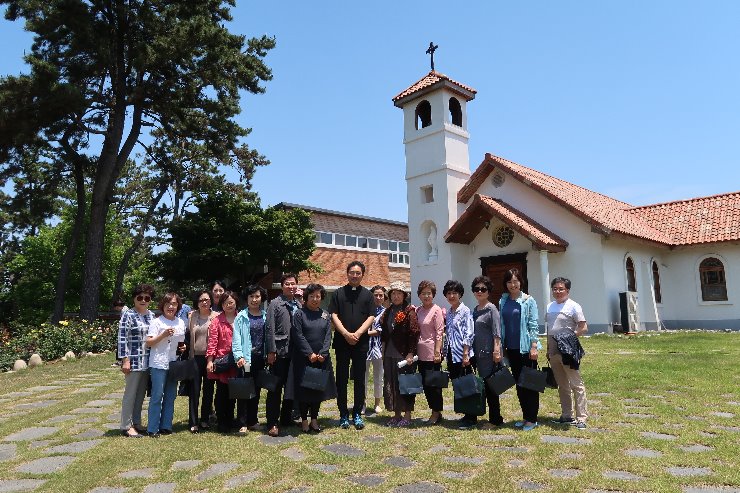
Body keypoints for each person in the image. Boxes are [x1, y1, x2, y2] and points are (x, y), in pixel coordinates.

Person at [328, 261, 375, 430]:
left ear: (362, 275)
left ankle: (356, 413)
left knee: (360, 379)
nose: (355, 275)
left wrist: (358, 334)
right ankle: (343, 413)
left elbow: (371, 316)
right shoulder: (338, 293)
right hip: (342, 342)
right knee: (341, 378)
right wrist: (346, 334)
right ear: (347, 274)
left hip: (360, 343)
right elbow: (333, 314)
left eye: (358, 273)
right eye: (352, 272)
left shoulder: (368, 295)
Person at [290, 283, 337, 433]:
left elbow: (328, 336)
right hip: (304, 358)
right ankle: (304, 420)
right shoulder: (299, 314)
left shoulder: (325, 315)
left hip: (321, 359)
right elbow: (298, 335)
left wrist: (323, 353)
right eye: (312, 296)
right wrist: (309, 353)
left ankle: (314, 420)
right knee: (304, 392)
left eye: (318, 296)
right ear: (306, 297)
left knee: (317, 390)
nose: (315, 299)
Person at [499, 268, 541, 431]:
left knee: (529, 383)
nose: (512, 284)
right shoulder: (503, 301)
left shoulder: (528, 300)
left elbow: (533, 325)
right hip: (511, 349)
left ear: (520, 282)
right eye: (509, 281)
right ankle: (526, 417)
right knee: (519, 384)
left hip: (526, 349)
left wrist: (534, 346)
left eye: (515, 281)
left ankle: (532, 419)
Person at [546, 277, 588, 430]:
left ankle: (581, 417)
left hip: (568, 351)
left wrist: (570, 337)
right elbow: (549, 330)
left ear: (567, 291)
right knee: (562, 385)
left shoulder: (573, 306)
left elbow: (583, 327)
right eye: (555, 289)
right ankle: (566, 415)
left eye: (561, 289)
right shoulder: (549, 306)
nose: (558, 291)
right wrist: (547, 349)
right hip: (553, 351)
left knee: (576, 384)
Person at [146, 292, 187, 437]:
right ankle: (152, 428)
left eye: (174, 304)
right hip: (158, 362)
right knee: (157, 395)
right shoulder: (156, 322)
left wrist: (183, 348)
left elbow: (181, 342)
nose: (171, 306)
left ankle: (166, 425)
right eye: (168, 304)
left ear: (178, 306)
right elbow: (149, 342)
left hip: (174, 363)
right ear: (162, 306)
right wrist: (163, 335)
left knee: (171, 395)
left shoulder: (180, 322)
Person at [265, 273, 301, 437]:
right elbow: (269, 328)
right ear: (282, 286)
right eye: (287, 284)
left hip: (295, 353)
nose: (291, 286)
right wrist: (271, 351)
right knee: (275, 389)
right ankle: (272, 422)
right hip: (279, 352)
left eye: (293, 284)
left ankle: (286, 417)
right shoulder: (275, 303)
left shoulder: (298, 304)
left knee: (291, 387)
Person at [379, 281, 419, 427]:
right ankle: (396, 414)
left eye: (399, 293)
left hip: (403, 355)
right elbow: (384, 334)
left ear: (404, 295)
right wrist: (383, 351)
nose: (396, 296)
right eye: (393, 293)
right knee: (391, 384)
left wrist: (410, 353)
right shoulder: (388, 311)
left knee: (406, 384)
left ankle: (407, 415)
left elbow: (414, 333)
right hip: (389, 353)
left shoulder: (409, 311)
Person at [117, 284, 155, 437]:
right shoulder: (128, 314)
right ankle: (126, 425)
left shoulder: (151, 315)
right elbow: (122, 338)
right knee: (130, 394)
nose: (143, 300)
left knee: (140, 395)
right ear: (134, 298)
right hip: (132, 361)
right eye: (140, 297)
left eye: (147, 298)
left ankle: (137, 422)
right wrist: (124, 360)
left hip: (147, 361)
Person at [233, 285, 267, 435]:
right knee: (245, 389)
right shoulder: (241, 316)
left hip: (260, 358)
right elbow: (236, 338)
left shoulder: (265, 315)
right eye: (251, 297)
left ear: (261, 298)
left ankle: (253, 421)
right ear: (246, 299)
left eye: (257, 296)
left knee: (256, 390)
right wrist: (239, 356)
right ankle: (242, 422)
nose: (254, 300)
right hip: (246, 359)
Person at [471, 276, 504, 428]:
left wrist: (497, 351)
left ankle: (495, 420)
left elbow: (497, 332)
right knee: (485, 385)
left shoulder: (492, 309)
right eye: (477, 289)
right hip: (479, 354)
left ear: (488, 291)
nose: (480, 291)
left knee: (492, 388)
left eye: (483, 289)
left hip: (490, 353)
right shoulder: (475, 310)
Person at [443, 280, 476, 430]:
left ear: (460, 294)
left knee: (467, 385)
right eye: (449, 293)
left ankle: (472, 417)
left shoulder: (465, 311)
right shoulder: (449, 312)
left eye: (454, 293)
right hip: (452, 354)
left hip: (463, 354)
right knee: (458, 385)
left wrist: (465, 354)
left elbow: (469, 333)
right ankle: (465, 414)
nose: (451, 296)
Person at [206, 290, 239, 433]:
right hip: (223, 361)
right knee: (221, 393)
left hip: (238, 361)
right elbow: (212, 343)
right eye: (225, 303)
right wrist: (210, 361)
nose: (228, 305)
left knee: (234, 393)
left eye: (231, 302)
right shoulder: (217, 321)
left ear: (236, 302)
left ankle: (231, 419)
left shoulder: (241, 318)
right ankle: (221, 421)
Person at [415, 280, 444, 425]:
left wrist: (437, 352)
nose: (426, 296)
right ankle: (434, 409)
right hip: (420, 353)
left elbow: (439, 332)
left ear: (433, 295)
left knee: (434, 386)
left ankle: (436, 412)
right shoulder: (418, 310)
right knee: (426, 385)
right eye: (423, 293)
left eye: (429, 293)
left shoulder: (436, 310)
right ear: (419, 295)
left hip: (433, 354)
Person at [187, 290, 217, 433]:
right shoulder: (192, 316)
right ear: (197, 303)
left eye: (206, 299)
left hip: (211, 358)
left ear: (211, 301)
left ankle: (205, 419)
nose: (204, 302)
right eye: (201, 300)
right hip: (195, 357)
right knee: (194, 390)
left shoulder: (216, 316)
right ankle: (193, 421)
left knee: (208, 389)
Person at [365, 285, 387, 415]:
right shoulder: (365, 310)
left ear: (384, 297)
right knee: (363, 376)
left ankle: (377, 403)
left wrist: (367, 332)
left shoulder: (387, 312)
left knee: (379, 376)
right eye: (376, 295)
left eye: (381, 295)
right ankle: (362, 403)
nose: (378, 297)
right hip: (365, 348)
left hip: (379, 348)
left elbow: (383, 330)